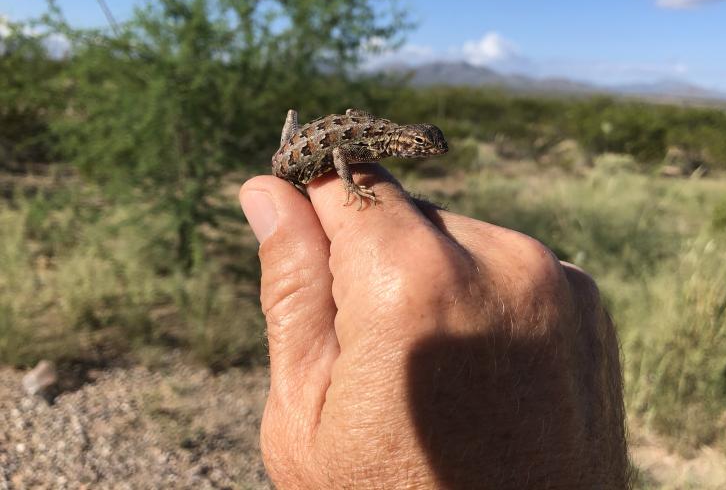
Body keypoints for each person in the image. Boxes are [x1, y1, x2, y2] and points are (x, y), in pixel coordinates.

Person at [240, 165, 631, 489]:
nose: (423, 153)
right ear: (402, 145)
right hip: (298, 168)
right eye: (418, 146)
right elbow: (341, 157)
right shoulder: (360, 149)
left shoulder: (370, 147)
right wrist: (347, 186)